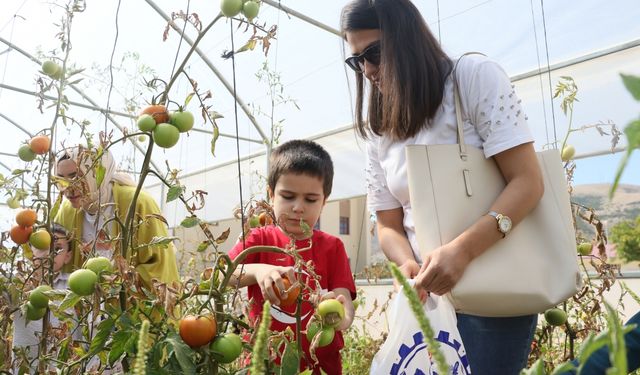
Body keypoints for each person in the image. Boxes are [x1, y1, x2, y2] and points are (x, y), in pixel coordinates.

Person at [340, 1, 544, 374]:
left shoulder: (472, 78)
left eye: (375, 53)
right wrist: (409, 267)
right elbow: (387, 223)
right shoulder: (380, 129)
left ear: (408, 37)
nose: (367, 69)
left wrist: (462, 252)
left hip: (491, 298)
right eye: (357, 60)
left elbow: (527, 181)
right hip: (430, 300)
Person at [228, 140, 357, 374]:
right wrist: (259, 271)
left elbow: (344, 300)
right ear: (271, 194)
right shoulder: (258, 239)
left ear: (324, 202)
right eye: (288, 196)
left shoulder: (332, 246)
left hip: (320, 366)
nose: (298, 207)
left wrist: (341, 318)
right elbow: (224, 275)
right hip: (264, 364)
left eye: (310, 200)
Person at [54, 145, 179, 287]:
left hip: (130, 306)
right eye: (60, 180)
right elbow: (54, 257)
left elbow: (159, 266)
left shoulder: (138, 203)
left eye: (75, 177)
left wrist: (114, 285)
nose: (67, 188)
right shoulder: (67, 211)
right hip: (87, 305)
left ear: (97, 174)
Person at [11, 223, 75, 373]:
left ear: (68, 256)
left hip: (64, 368)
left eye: (58, 248)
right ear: (31, 249)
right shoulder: (17, 284)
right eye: (43, 246)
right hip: (25, 368)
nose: (49, 253)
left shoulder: (74, 286)